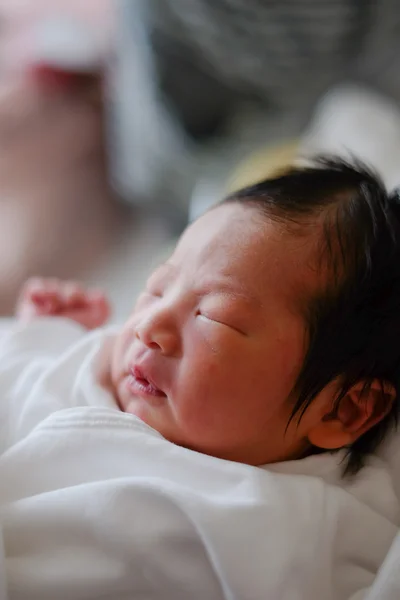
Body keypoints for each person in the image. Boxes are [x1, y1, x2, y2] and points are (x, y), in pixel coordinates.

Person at [2, 157, 400, 599]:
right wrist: (42, 334)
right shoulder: (89, 361)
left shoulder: (296, 528)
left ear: (344, 409)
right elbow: (17, 383)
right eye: (156, 288)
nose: (149, 326)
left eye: (215, 318)